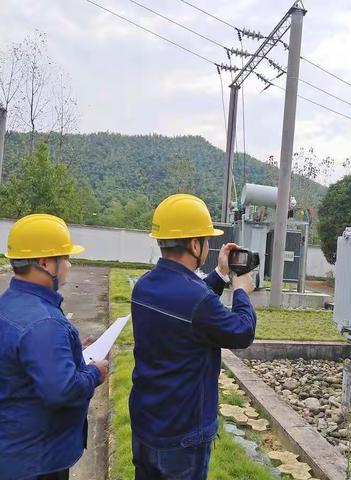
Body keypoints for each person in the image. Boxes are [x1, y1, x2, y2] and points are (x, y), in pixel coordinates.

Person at [130, 193, 257, 480]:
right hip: (183, 435)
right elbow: (241, 332)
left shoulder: (144, 287)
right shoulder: (197, 299)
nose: (208, 245)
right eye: (205, 239)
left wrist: (221, 274)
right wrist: (240, 291)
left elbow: (189, 309)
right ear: (193, 244)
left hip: (147, 424)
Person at [0, 214, 109, 480]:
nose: (69, 265)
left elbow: (26, 361)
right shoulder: (45, 322)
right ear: (46, 262)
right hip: (38, 461)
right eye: (66, 258)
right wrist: (95, 373)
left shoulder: (10, 303)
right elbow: (62, 391)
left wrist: (71, 350)